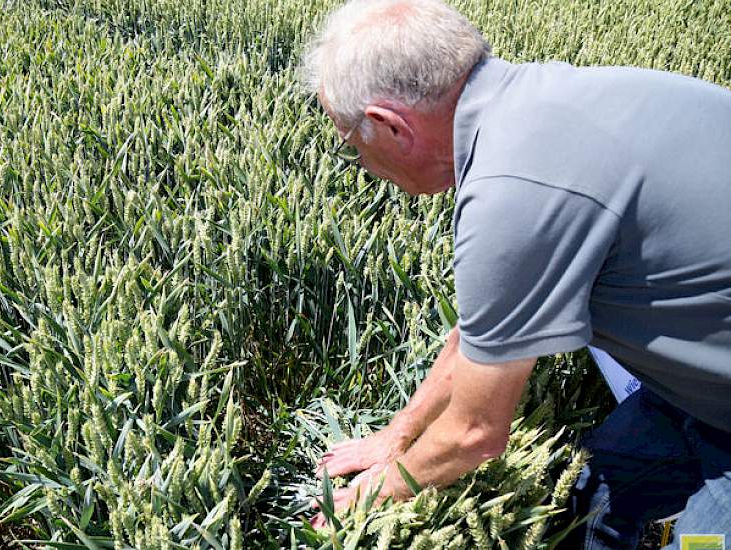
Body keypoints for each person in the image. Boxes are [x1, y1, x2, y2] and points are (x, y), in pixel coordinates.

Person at [300, 0, 731, 547]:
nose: (359, 163)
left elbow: (475, 434)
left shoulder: (513, 195)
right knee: (587, 505)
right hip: (694, 389)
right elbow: (484, 334)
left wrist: (368, 497)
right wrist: (398, 436)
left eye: (351, 146)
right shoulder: (545, 103)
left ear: (390, 126)